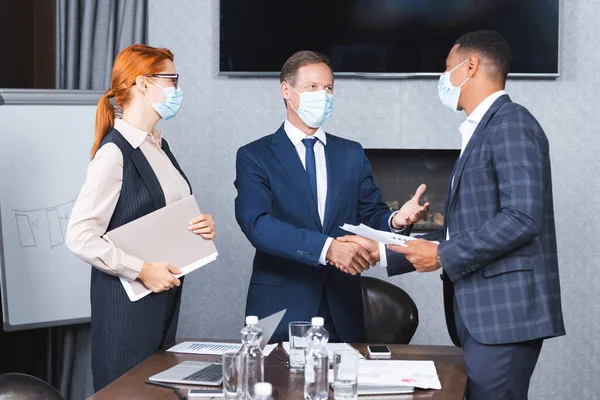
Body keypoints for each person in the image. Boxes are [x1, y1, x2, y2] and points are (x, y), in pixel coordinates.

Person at [344, 31, 565, 399]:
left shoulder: (511, 122)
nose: (444, 78)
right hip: (483, 320)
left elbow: (523, 218)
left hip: (503, 320)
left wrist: (442, 255)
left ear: (471, 66)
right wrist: (380, 251)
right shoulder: (482, 129)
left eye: (448, 68)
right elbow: (463, 232)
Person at [234, 50, 429, 343]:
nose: (322, 96)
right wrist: (328, 248)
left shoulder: (350, 153)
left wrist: (397, 220)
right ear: (286, 90)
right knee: (275, 388)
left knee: (345, 386)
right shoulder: (255, 155)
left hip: (342, 307)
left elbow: (371, 216)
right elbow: (259, 225)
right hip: (279, 307)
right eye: (312, 87)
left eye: (328, 88)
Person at [66, 44, 216, 391]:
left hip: (162, 301)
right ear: (144, 84)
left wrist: (200, 226)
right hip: (127, 311)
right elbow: (80, 236)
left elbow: (162, 213)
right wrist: (143, 270)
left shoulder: (157, 145)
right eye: (172, 80)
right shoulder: (114, 153)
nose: (177, 90)